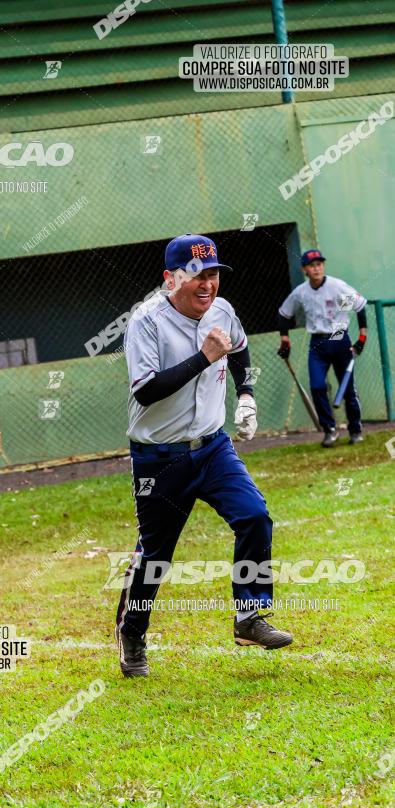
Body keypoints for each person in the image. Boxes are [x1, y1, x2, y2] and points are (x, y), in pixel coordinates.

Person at [115, 233, 293, 678]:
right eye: (197, 274)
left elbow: (237, 345)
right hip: (160, 457)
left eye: (213, 273)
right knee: (155, 556)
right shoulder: (145, 321)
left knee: (254, 516)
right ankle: (133, 632)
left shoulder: (222, 310)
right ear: (170, 279)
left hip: (213, 446)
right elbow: (149, 390)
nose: (208, 284)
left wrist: (246, 393)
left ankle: (249, 615)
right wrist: (203, 357)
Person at [277, 249, 368, 447]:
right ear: (304, 270)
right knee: (317, 386)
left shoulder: (337, 286)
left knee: (348, 390)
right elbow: (283, 314)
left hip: (338, 337)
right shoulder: (301, 292)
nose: (316, 268)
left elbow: (360, 306)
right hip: (317, 342)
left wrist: (362, 337)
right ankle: (330, 430)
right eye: (311, 265)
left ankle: (355, 430)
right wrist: (285, 339)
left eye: (319, 264)